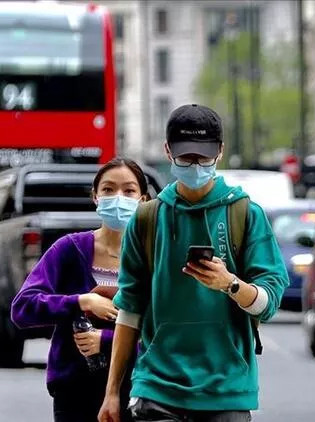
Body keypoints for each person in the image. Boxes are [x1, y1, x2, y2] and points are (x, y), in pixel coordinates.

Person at [99, 104, 289, 422]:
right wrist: (112, 393)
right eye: (187, 157)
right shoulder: (147, 218)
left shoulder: (245, 214)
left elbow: (268, 303)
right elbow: (129, 312)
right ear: (168, 151)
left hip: (226, 389)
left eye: (204, 157)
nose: (196, 165)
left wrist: (229, 283)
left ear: (220, 151)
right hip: (156, 386)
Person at [11, 158, 148, 422]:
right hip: (74, 391)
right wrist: (80, 302)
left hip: (140, 390)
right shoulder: (69, 249)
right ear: (95, 197)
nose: (118, 198)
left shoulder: (154, 256)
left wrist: (105, 341)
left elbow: (167, 332)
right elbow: (22, 308)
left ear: (142, 199)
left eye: (128, 190)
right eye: (108, 190)